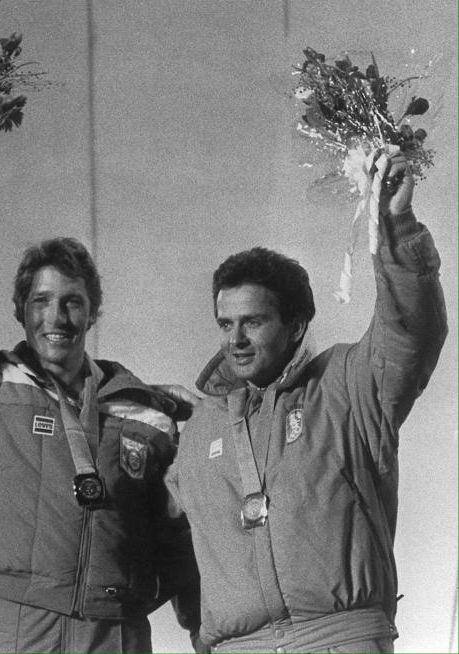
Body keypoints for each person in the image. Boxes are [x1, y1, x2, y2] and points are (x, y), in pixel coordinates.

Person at [0, 139, 201, 653]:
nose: (56, 319)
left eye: (72, 303)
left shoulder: (146, 414)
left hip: (117, 632)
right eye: (41, 301)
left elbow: (180, 541)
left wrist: (207, 632)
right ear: (20, 310)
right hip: (21, 628)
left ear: (93, 313)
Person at [165, 151, 447, 653]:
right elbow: (175, 541)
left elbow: (412, 332)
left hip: (339, 639)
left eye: (253, 321)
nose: (236, 340)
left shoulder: (347, 385)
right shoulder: (200, 428)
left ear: (296, 326)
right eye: (225, 324)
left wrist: (396, 224)